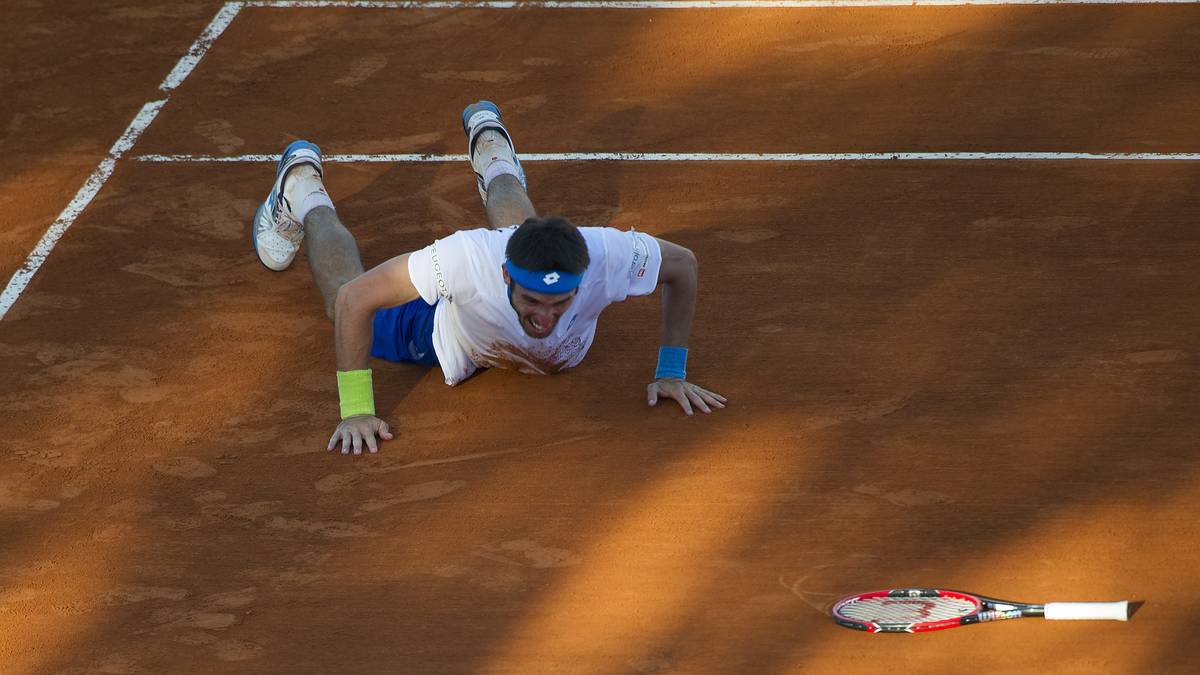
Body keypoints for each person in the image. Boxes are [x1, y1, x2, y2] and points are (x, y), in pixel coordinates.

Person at [251, 101, 726, 455]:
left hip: (503, 295)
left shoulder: (607, 254)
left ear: (583, 278)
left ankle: (493, 150)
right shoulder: (465, 259)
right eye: (532, 300)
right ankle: (303, 192)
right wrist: (356, 410)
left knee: (522, 234)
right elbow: (356, 299)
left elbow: (683, 266)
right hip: (448, 334)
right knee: (340, 303)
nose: (546, 317)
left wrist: (671, 371)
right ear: (504, 275)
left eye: (560, 302)